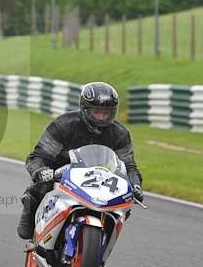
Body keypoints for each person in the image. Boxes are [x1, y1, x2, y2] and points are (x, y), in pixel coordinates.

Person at [16, 81, 144, 239]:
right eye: (97, 112)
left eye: (107, 113)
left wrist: (135, 185)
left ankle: (104, 238)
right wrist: (41, 171)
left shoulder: (120, 134)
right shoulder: (64, 125)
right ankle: (31, 215)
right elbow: (39, 156)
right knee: (40, 191)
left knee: (125, 203)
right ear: (85, 109)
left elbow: (129, 165)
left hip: (101, 178)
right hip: (62, 173)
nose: (102, 118)